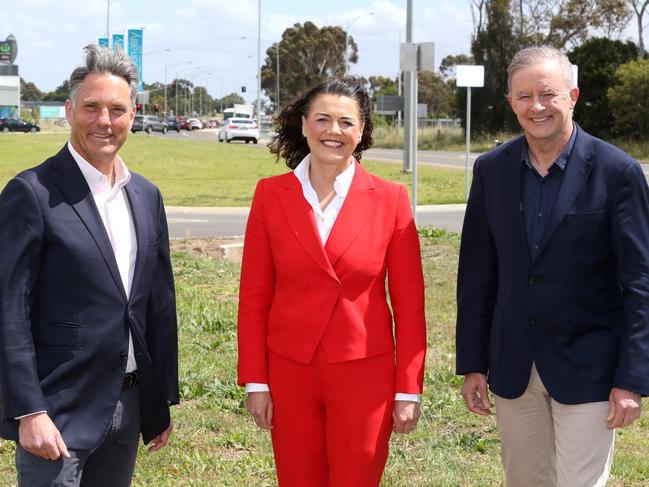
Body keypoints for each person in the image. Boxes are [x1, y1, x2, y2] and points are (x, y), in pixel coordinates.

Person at [456, 45, 649, 486]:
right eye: (524, 96)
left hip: (590, 366)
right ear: (510, 103)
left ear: (573, 96)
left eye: (548, 94)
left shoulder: (617, 172)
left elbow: (640, 282)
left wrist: (633, 378)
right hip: (513, 365)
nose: (536, 106)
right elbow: (477, 275)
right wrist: (472, 362)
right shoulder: (491, 171)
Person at [0, 44, 179, 486]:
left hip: (129, 405)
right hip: (57, 417)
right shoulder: (32, 192)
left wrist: (160, 402)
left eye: (117, 109)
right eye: (92, 107)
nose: (104, 121)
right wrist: (29, 411)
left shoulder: (146, 196)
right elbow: (9, 311)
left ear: (133, 114)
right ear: (69, 109)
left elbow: (157, 304)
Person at [237, 76, 427, 486]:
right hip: (290, 372)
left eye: (346, 122)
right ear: (304, 125)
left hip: (365, 375)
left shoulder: (391, 199)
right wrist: (256, 380)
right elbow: (254, 298)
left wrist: (408, 390)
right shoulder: (270, 195)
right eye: (322, 119)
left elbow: (410, 306)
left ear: (361, 132)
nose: (333, 131)